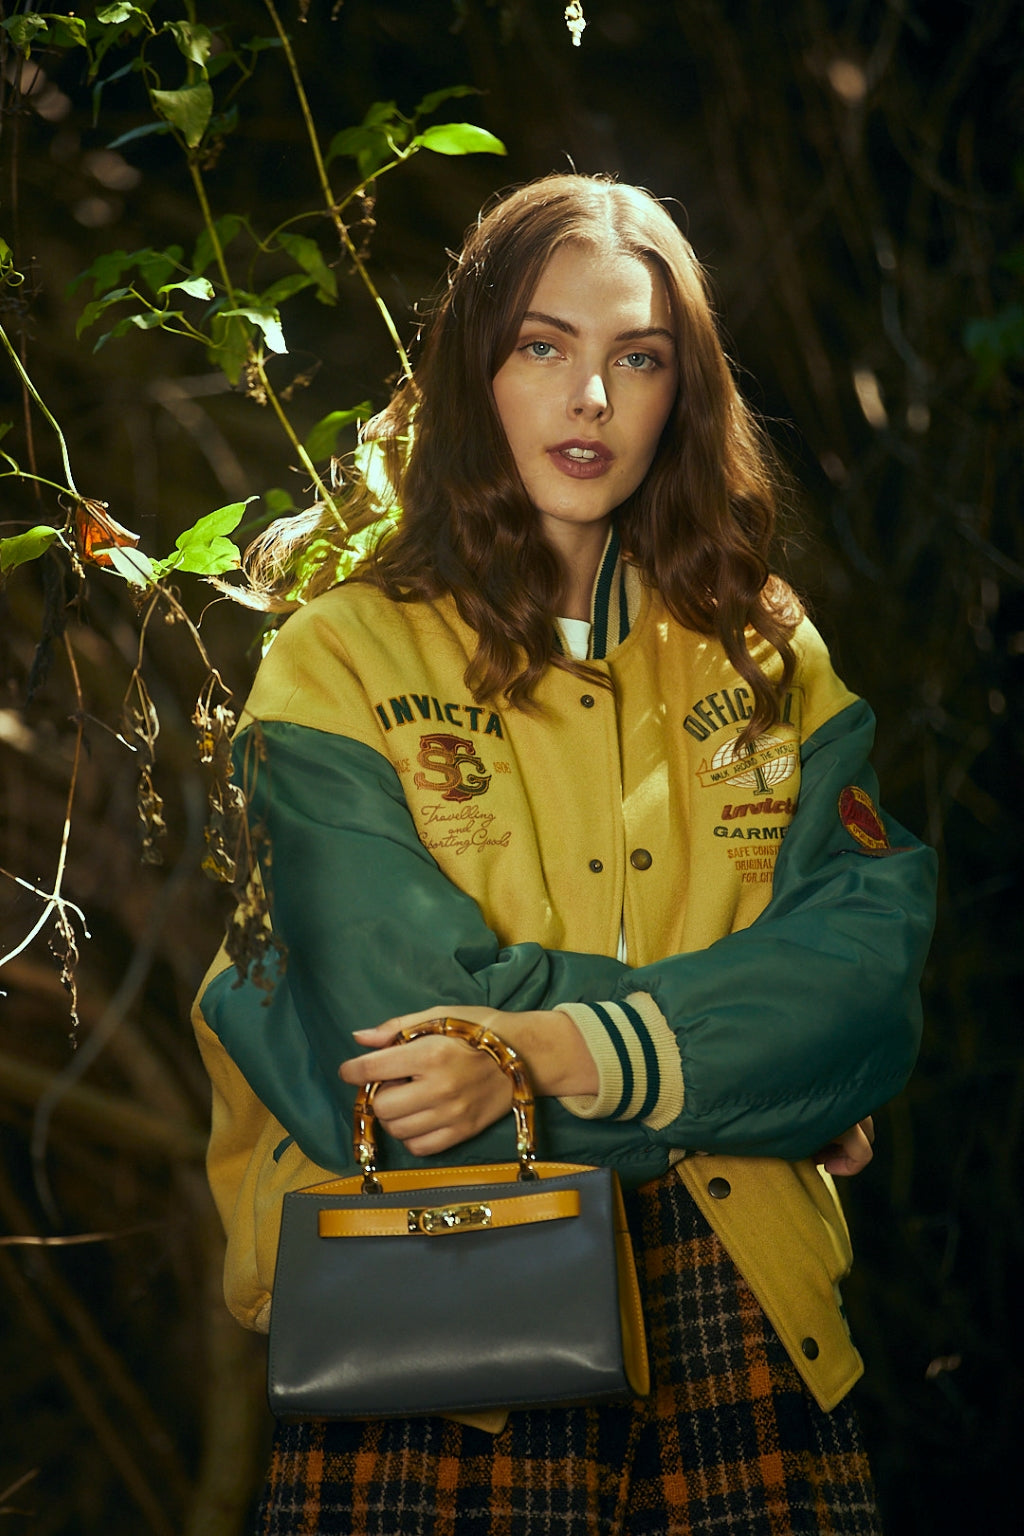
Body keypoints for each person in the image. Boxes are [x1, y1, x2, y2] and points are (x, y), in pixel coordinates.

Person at [192, 173, 936, 1535]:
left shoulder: (768, 655)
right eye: (545, 347)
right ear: (475, 368)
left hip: (742, 1304)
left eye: (636, 358)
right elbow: (387, 1043)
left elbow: (866, 987)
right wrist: (764, 1080)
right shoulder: (337, 659)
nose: (590, 398)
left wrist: (542, 1054)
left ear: (681, 392)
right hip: (443, 1322)